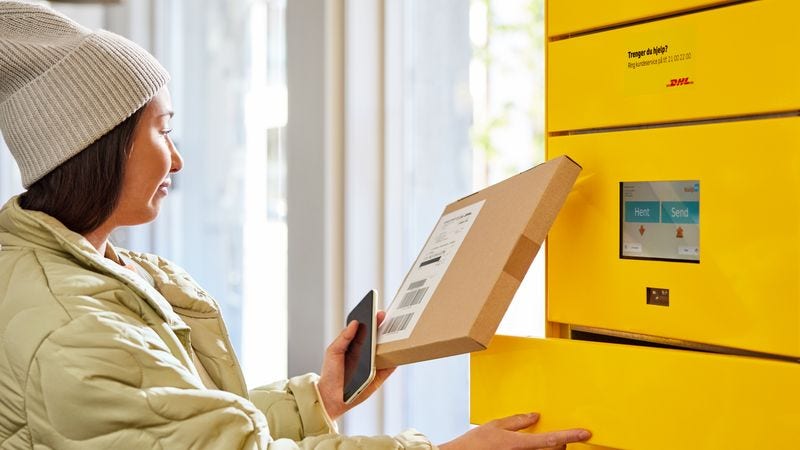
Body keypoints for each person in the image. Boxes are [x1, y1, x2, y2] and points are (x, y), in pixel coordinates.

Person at [0, 2, 591, 449]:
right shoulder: (72, 323)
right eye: (163, 130)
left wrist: (320, 397)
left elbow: (175, 421)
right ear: (98, 145)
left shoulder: (90, 268)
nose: (176, 159)